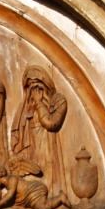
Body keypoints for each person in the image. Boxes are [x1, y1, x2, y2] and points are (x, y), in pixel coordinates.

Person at [10, 63, 68, 196]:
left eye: (36, 84)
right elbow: (17, 130)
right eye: (29, 85)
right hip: (31, 147)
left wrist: (39, 102)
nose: (33, 89)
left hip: (47, 144)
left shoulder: (58, 100)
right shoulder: (24, 107)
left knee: (49, 176)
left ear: (45, 83)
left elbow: (51, 123)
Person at [0, 157, 71, 209]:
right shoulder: (7, 184)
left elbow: (10, 194)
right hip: (28, 198)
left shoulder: (12, 178)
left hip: (34, 190)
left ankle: (60, 198)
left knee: (42, 208)